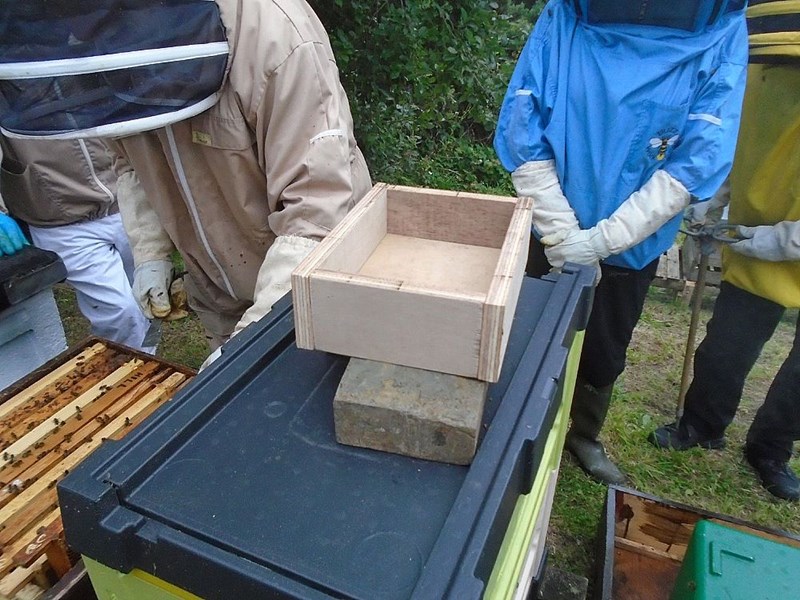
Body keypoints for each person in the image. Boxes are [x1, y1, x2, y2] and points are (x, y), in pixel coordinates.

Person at [0, 0, 372, 368]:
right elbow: (130, 161)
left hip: (317, 288)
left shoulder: (273, 37)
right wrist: (150, 253)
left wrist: (242, 352)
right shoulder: (99, 38)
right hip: (217, 294)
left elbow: (316, 211)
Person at [494, 0, 749, 484]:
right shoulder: (565, 15)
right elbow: (523, 122)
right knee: (527, 330)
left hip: (633, 243)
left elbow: (700, 155)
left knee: (605, 347)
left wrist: (604, 240)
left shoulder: (722, 28)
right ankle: (512, 424)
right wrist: (562, 233)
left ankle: (583, 434)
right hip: (550, 228)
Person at [650, 0, 800, 502]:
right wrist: (711, 198)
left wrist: (749, 238)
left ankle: (771, 451)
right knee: (725, 350)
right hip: (756, 239)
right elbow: (739, 146)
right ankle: (702, 425)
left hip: (772, 239)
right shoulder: (759, 78)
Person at [0, 136, 157, 353]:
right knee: (119, 310)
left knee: (152, 298)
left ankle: (150, 360)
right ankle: (126, 370)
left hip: (127, 197)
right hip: (58, 220)